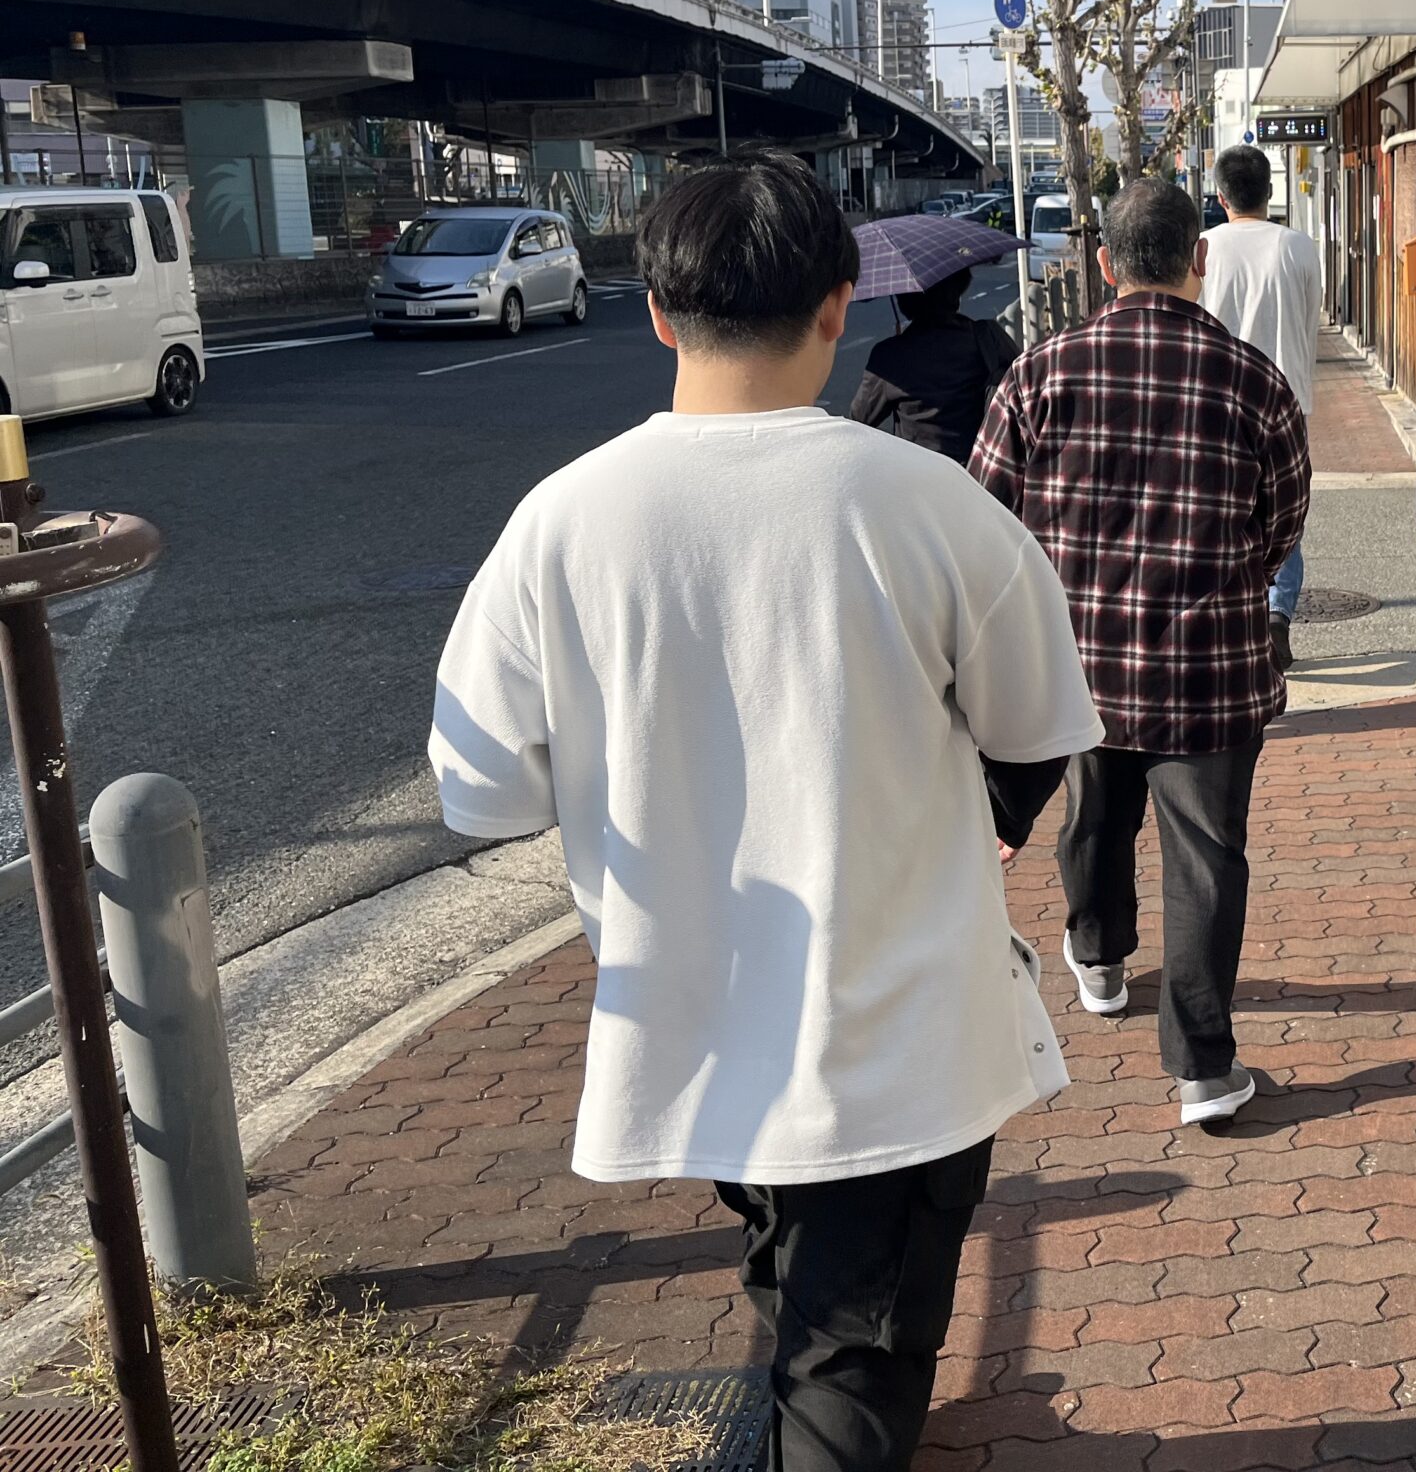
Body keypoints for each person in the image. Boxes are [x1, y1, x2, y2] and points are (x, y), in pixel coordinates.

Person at [429, 154, 1102, 1471]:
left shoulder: (558, 523)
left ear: (657, 313)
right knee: (852, 1357)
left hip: (693, 1019)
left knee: (795, 1287)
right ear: (837, 305)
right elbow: (1037, 732)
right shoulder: (931, 506)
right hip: (895, 1029)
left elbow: (481, 791)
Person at [972, 177, 1311, 1128]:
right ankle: (1203, 1069)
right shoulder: (1253, 379)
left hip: (1081, 660)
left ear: (1104, 263)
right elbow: (1283, 521)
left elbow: (985, 517)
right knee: (1206, 860)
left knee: (1094, 816)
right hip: (1210, 667)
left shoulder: (1039, 372)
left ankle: (1098, 957)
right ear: (1199, 259)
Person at [1200, 143, 1324, 669]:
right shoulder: (1298, 246)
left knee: (1223, 511)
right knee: (1283, 510)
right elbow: (1311, 318)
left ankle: (1233, 617)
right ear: (1270, 192)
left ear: (1220, 196)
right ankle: (1277, 611)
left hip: (1216, 400)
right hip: (1284, 399)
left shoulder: (1204, 247)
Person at [846, 266, 1019, 462]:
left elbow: (860, 418)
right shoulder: (988, 337)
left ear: (905, 301)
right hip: (983, 466)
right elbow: (1023, 384)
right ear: (958, 289)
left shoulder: (890, 355)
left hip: (919, 472)